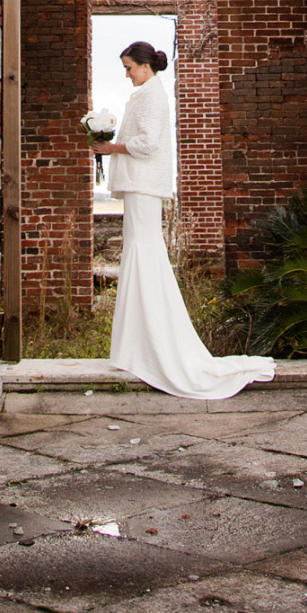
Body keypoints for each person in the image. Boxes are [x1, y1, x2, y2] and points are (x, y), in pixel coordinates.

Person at [101, 40, 274, 400]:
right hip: (138, 186)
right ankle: (135, 347)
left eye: (129, 67)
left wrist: (112, 148)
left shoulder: (151, 96)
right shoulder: (145, 93)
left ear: (145, 67)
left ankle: (151, 347)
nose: (127, 74)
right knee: (139, 254)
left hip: (143, 186)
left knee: (144, 253)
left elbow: (147, 144)